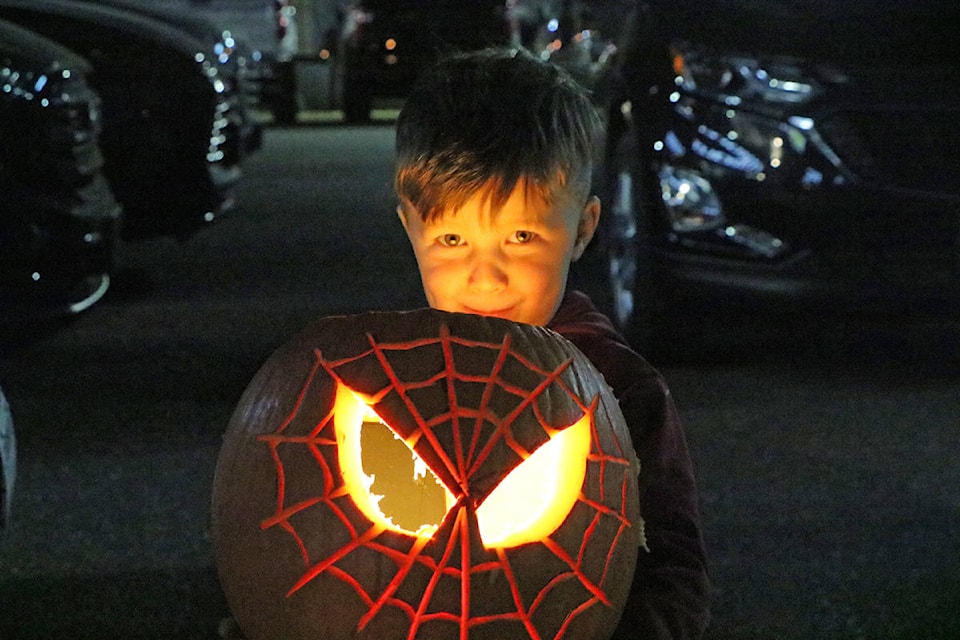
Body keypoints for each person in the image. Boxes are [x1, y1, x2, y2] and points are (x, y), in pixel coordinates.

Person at [395, 47, 711, 639]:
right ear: (410, 229)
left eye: (520, 236)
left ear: (583, 230)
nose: (485, 278)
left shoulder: (620, 388)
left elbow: (674, 567)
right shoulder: (384, 379)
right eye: (452, 238)